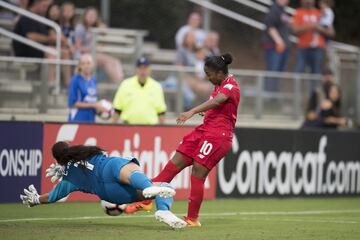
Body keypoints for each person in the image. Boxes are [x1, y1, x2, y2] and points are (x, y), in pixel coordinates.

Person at [125, 53, 240, 227]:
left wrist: (192, 111)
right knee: (174, 163)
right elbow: (216, 105)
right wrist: (205, 112)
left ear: (218, 72)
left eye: (209, 74)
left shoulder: (231, 86)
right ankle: (148, 200)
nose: (207, 78)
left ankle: (192, 219)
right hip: (204, 130)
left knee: (197, 172)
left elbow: (218, 101)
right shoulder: (218, 84)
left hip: (218, 135)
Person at [20, 141, 187, 229]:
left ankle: (164, 212)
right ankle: (153, 195)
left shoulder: (68, 178)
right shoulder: (83, 152)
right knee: (133, 169)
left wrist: (36, 199)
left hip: (108, 193)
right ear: (68, 148)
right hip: (107, 168)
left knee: (162, 187)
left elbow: (53, 197)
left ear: (57, 159)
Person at [74, 7, 124, 82]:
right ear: (85, 16)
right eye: (89, 15)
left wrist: (103, 33)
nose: (91, 17)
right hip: (83, 55)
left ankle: (120, 81)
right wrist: (92, 49)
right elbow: (78, 47)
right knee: (107, 61)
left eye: (94, 16)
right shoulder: (80, 28)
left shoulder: (97, 28)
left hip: (96, 54)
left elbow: (103, 46)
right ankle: (119, 82)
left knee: (115, 61)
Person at [112, 57, 167, 125]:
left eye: (145, 68)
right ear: (136, 69)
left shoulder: (156, 86)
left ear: (149, 70)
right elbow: (117, 109)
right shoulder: (126, 84)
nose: (142, 71)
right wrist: (113, 126)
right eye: (140, 68)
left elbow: (161, 111)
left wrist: (162, 130)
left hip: (150, 128)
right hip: (127, 127)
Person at [292, 0, 335, 76]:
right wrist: (309, 26)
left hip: (318, 49)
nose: (308, 1)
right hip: (302, 48)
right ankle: (298, 88)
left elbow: (331, 33)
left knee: (316, 74)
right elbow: (295, 30)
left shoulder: (320, 13)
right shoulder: (298, 12)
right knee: (298, 73)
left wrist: (319, 28)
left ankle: (314, 88)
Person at [67, 54, 107, 123]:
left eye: (88, 63)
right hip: (77, 120)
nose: (86, 66)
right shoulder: (75, 80)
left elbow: (93, 102)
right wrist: (94, 105)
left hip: (90, 121)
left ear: (92, 65)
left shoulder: (93, 81)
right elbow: (72, 103)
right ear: (80, 66)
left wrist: (100, 108)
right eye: (83, 63)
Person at [262, 0, 291, 91]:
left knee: (278, 71)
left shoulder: (282, 10)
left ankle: (274, 93)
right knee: (273, 71)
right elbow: (270, 27)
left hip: (282, 48)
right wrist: (279, 41)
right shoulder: (274, 9)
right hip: (274, 47)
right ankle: (269, 93)